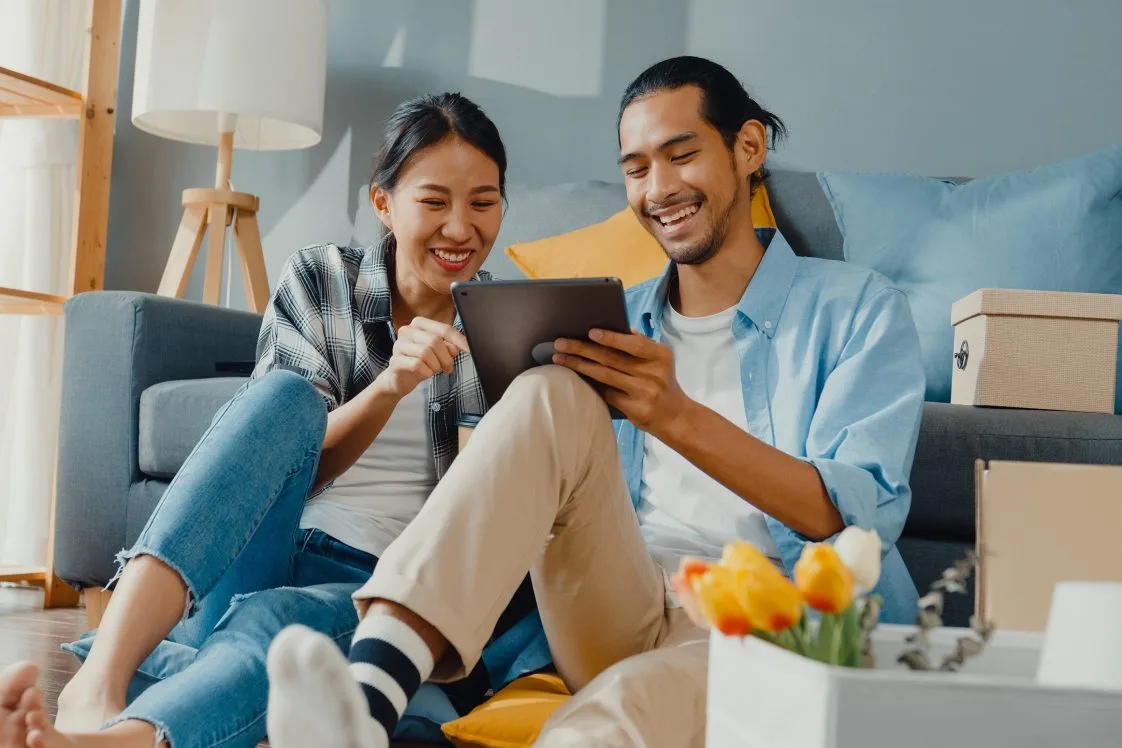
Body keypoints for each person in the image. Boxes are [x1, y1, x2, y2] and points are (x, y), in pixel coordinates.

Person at [262, 55, 927, 748]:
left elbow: (855, 517)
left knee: (615, 712)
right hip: (619, 603)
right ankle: (366, 705)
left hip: (770, 622)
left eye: (681, 156)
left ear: (748, 148)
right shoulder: (610, 320)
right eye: (637, 169)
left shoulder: (856, 310)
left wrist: (674, 415)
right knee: (548, 389)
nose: (659, 189)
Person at [6, 92, 549, 748]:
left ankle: (120, 737)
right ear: (384, 203)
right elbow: (293, 460)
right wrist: (388, 389)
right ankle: (99, 687)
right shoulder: (322, 279)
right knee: (284, 397)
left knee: (280, 633)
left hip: (383, 589)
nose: (460, 228)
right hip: (267, 548)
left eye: (483, 203)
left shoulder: (508, 327)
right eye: (434, 202)